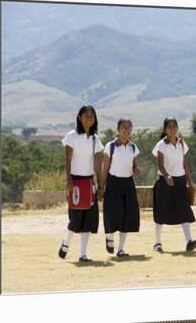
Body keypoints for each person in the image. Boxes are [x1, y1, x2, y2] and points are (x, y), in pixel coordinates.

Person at [58, 105, 104, 262]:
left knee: (89, 218)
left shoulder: (95, 139)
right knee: (76, 217)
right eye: (86, 115)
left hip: (89, 181)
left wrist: (100, 186)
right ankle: (66, 242)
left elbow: (98, 164)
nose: (89, 118)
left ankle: (83, 254)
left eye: (92, 116)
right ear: (79, 117)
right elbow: (68, 159)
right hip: (75, 181)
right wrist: (68, 180)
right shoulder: (72, 136)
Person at [151, 117, 196, 252]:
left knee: (184, 209)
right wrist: (167, 176)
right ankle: (157, 243)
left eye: (174, 126)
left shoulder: (181, 144)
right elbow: (160, 164)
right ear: (164, 129)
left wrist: (189, 180)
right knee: (161, 211)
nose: (172, 129)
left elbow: (184, 163)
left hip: (180, 181)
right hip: (164, 181)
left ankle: (189, 241)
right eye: (169, 126)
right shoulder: (161, 144)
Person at [99, 118, 140, 257]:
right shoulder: (110, 146)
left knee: (127, 215)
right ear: (118, 129)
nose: (126, 130)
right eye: (123, 127)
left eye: (129, 127)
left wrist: (135, 169)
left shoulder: (133, 147)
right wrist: (101, 187)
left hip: (128, 183)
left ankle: (121, 249)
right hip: (113, 182)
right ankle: (109, 237)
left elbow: (134, 164)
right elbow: (105, 169)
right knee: (112, 213)